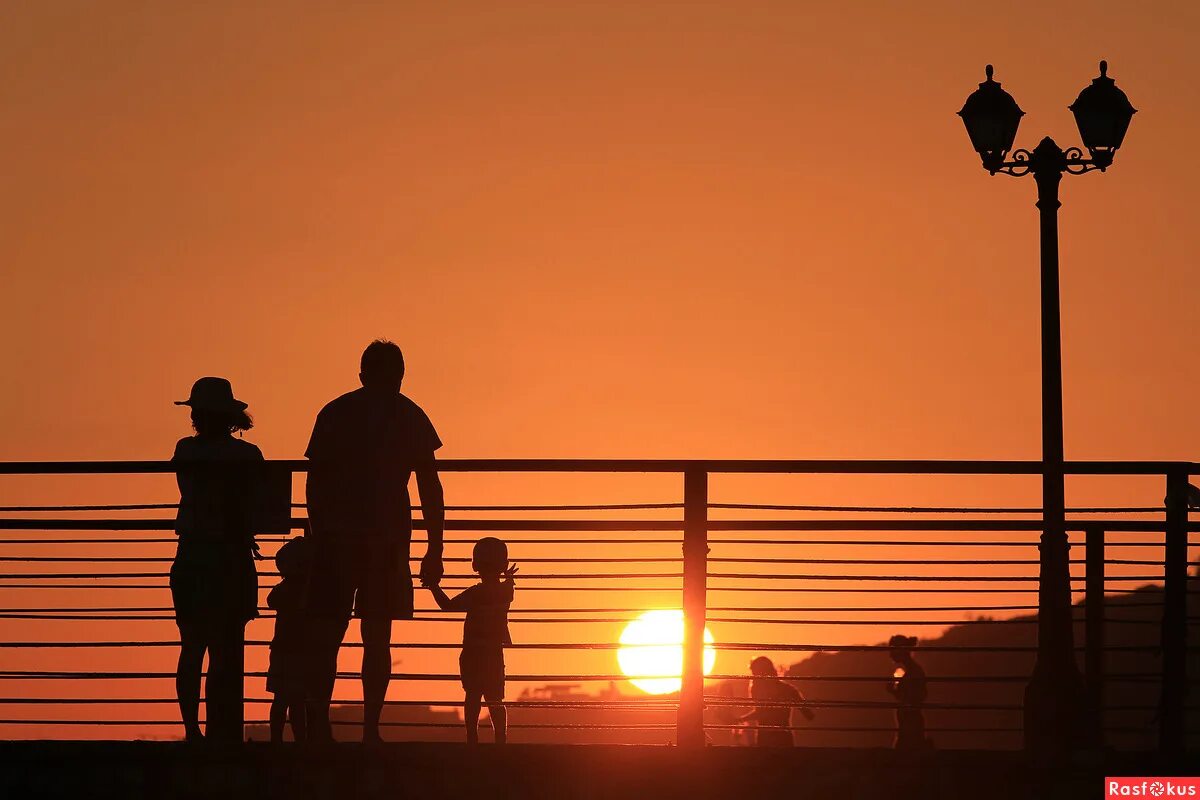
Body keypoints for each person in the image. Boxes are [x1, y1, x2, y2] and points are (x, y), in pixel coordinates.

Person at [304, 340, 445, 743]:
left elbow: (314, 482)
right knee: (377, 636)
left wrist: (318, 532)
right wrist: (435, 549)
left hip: (337, 537)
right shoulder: (410, 415)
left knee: (328, 634)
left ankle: (320, 727)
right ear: (400, 375)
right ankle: (369, 729)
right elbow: (430, 489)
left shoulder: (335, 412)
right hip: (386, 539)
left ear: (362, 374)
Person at [170, 377, 263, 743]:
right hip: (232, 555)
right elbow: (259, 502)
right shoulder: (248, 455)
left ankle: (193, 730)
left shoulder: (185, 450)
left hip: (193, 552)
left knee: (192, 646)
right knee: (226, 650)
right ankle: (221, 731)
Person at [425, 537, 517, 744]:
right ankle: (500, 738)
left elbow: (447, 606)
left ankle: (471, 737)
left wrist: (433, 587)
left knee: (472, 696)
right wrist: (509, 578)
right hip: (493, 654)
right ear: (503, 564)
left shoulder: (475, 593)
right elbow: (508, 590)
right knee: (495, 699)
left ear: (475, 565)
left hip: (472, 652)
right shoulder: (504, 591)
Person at [267, 536, 313, 743]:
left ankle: (277, 739)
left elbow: (271, 600)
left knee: (282, 699)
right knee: (297, 701)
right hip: (300, 651)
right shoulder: (308, 590)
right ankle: (300, 740)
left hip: (283, 650)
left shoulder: (285, 589)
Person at [739, 655, 814, 746]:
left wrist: (742, 719)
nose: (754, 677)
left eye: (756, 673)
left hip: (768, 739)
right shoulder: (787, 689)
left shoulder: (758, 689)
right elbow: (808, 714)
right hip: (781, 737)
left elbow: (761, 713)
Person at [886, 634, 930, 752]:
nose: (890, 655)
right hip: (908, 722)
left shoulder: (914, 672)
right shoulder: (912, 671)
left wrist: (893, 691)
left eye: (892, 650)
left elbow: (915, 698)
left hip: (910, 723)